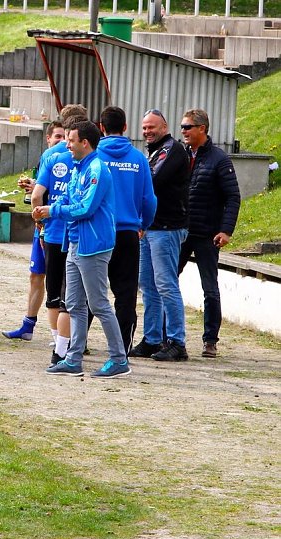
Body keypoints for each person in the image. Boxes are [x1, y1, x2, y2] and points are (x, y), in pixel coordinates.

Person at [33, 121, 130, 378]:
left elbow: (85, 208)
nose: (66, 145)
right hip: (75, 242)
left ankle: (119, 359)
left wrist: (53, 210)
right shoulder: (78, 168)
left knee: (99, 304)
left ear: (84, 143)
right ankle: (73, 359)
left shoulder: (97, 169)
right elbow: (69, 199)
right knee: (74, 303)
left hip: (94, 245)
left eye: (71, 140)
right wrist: (51, 206)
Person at [177, 108, 241, 358]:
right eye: (182, 127)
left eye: (187, 127)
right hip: (180, 231)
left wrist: (226, 230)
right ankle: (165, 334)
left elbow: (233, 197)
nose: (183, 131)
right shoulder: (179, 156)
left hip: (207, 234)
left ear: (202, 129)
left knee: (209, 288)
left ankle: (210, 339)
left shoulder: (219, 159)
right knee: (167, 282)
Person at [130, 108, 191, 361]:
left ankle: (177, 342)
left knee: (166, 284)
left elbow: (152, 182)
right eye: (144, 128)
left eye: (151, 127)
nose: (147, 131)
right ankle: (153, 339)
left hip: (167, 228)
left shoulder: (172, 150)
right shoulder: (153, 151)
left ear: (164, 127)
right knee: (148, 286)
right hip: (150, 227)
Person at [96, 106, 157, 355]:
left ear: (101, 128)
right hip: (128, 233)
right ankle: (122, 346)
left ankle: (79, 343)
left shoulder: (94, 156)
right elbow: (150, 200)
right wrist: (144, 224)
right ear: (125, 127)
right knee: (126, 292)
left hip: (98, 232)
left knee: (91, 289)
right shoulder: (138, 158)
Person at [31, 105, 88, 363]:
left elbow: (36, 194)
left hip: (53, 233)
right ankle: (77, 340)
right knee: (76, 293)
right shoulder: (90, 159)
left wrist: (39, 221)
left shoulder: (52, 156)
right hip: (79, 234)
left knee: (54, 291)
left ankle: (58, 342)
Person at [3, 120, 65, 340]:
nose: (61, 140)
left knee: (58, 282)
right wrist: (33, 186)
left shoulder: (66, 158)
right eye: (57, 136)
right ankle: (28, 325)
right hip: (42, 226)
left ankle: (61, 337)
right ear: (48, 138)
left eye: (64, 136)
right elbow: (37, 194)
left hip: (52, 227)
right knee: (35, 275)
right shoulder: (46, 160)